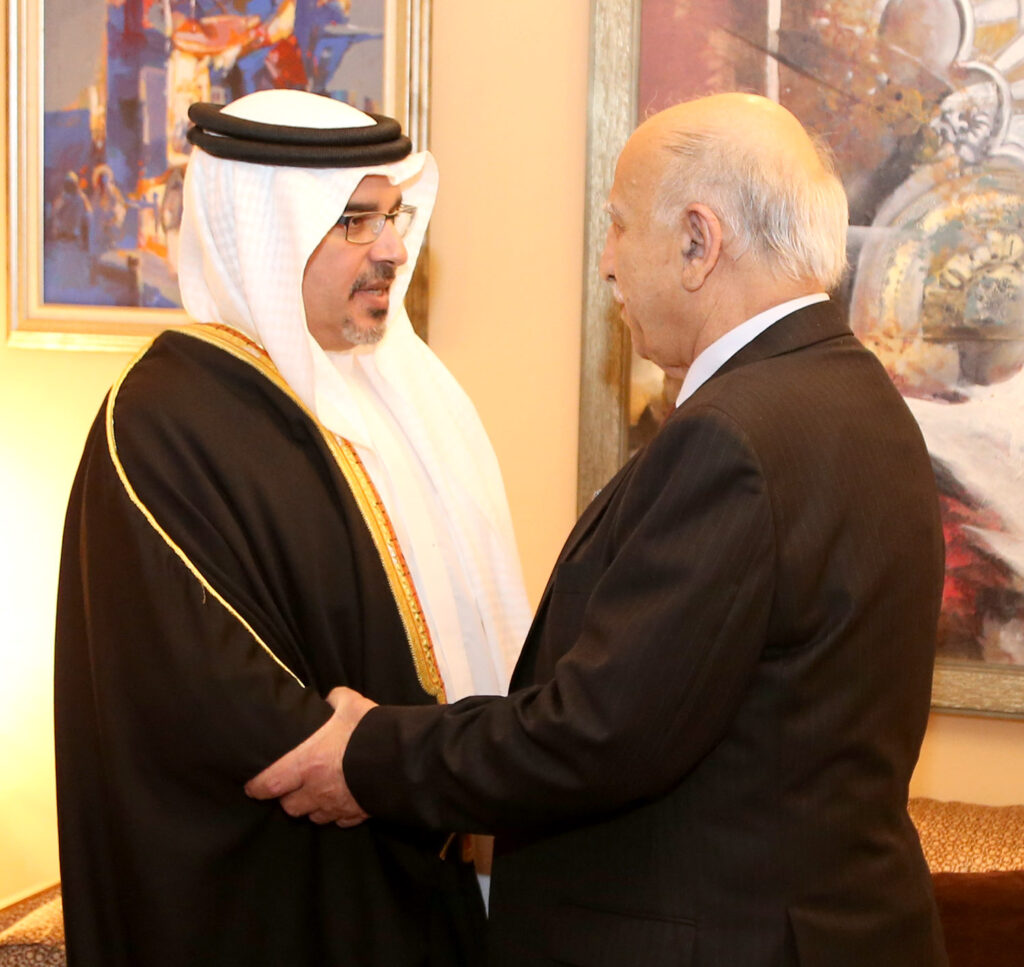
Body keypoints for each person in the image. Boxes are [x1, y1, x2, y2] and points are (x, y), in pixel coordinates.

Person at [247, 93, 950, 966]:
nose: (608, 262)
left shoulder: (732, 437)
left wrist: (369, 755)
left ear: (698, 241)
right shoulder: (857, 396)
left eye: (618, 225)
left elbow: (598, 734)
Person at [53, 88, 530, 967]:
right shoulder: (164, 420)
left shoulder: (406, 396)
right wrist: (388, 765)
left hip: (423, 881)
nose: (392, 249)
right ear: (264, 232)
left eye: (392, 216)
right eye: (354, 221)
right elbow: (210, 687)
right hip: (291, 901)